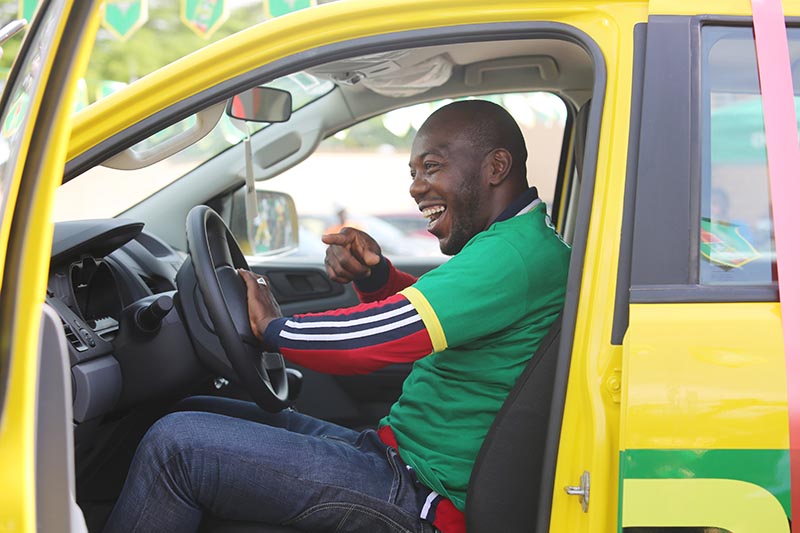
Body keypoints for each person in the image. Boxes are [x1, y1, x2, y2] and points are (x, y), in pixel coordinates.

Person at [103, 100, 571, 533]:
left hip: (421, 496)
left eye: (431, 167)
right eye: (413, 172)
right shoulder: (517, 243)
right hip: (394, 455)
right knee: (193, 411)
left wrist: (273, 329)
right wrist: (375, 279)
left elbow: (374, 341)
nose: (415, 187)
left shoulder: (512, 255)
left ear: (496, 167)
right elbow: (443, 314)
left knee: (176, 447)